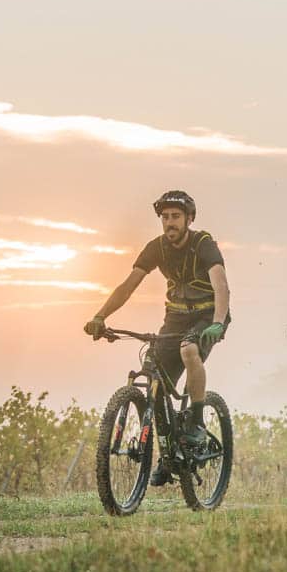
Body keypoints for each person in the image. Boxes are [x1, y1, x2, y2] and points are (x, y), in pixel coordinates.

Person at [84, 190, 230, 485]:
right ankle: (169, 454)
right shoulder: (157, 248)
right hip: (175, 318)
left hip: (207, 316)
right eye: (164, 217)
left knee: (189, 350)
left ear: (189, 219)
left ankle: (197, 421)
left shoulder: (203, 244)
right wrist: (100, 316)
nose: (169, 222)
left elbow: (221, 286)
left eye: (175, 216)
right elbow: (128, 286)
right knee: (156, 380)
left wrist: (217, 323)